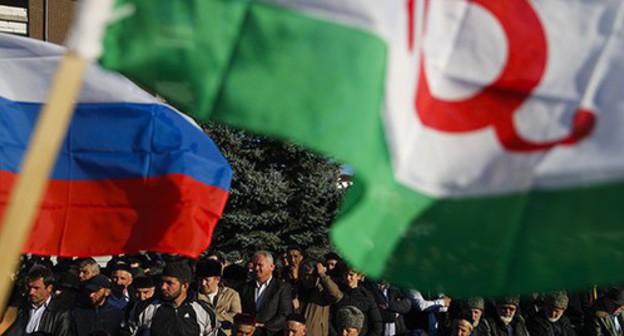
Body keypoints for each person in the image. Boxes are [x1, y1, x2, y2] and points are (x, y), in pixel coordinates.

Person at [126, 261, 221, 335]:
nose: (163, 287)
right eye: (162, 282)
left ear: (184, 286)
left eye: (169, 283)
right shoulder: (144, 308)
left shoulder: (204, 311)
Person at [4, 265, 76, 336]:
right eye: (29, 287)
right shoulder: (20, 309)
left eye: (36, 288)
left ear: (49, 288)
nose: (31, 292)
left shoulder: (61, 314)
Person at [240, 251, 293, 336]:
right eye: (255, 265)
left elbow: (285, 313)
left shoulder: (281, 287)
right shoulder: (246, 287)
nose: (256, 268)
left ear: (271, 266)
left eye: (260, 265)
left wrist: (264, 326)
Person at [330, 262, 382, 336]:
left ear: (358, 276)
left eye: (351, 275)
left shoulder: (366, 295)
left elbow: (377, 323)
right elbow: (329, 319)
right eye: (345, 274)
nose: (348, 278)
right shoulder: (337, 292)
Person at [297, 259, 343, 336]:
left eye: (312, 275)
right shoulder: (295, 290)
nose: (307, 278)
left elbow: (337, 296)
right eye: (305, 275)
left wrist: (323, 275)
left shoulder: (322, 292)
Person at [197, 258, 242, 332]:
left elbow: (236, 318)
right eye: (200, 280)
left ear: (217, 279)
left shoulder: (231, 295)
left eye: (207, 280)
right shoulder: (194, 296)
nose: (203, 283)